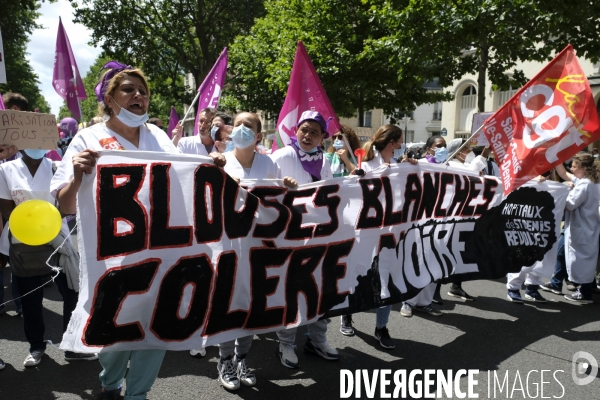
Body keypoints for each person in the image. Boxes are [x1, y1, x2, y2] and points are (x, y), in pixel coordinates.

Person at [51, 63, 224, 400]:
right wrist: (75, 177)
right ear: (109, 98)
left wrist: (209, 170)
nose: (138, 96)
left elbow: (183, 181)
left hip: (160, 249)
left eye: (143, 91)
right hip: (112, 256)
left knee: (155, 323)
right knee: (114, 326)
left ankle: (138, 394)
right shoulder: (88, 139)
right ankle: (111, 382)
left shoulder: (158, 137)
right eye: (128, 90)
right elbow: (65, 206)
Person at [0, 149, 97, 366]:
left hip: (58, 240)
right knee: (30, 300)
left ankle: (71, 345)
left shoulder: (57, 167)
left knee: (72, 293)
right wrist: (34, 224)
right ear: (20, 144)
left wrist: (48, 222)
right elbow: (7, 210)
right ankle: (36, 347)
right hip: (23, 243)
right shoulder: (5, 170)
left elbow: (67, 205)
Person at [212, 112, 287, 390]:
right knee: (228, 303)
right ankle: (224, 360)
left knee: (251, 305)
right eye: (239, 124)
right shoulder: (219, 162)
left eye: (250, 126)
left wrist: (286, 188)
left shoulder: (268, 164)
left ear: (259, 136)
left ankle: (241, 358)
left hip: (257, 246)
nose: (242, 128)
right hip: (226, 246)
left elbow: (277, 202)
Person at [270, 110, 337, 369]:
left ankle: (317, 339)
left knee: (321, 289)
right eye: (304, 130)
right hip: (289, 236)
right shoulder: (284, 155)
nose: (307, 135)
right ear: (296, 131)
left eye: (314, 132)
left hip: (320, 236)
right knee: (292, 290)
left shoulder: (324, 160)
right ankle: (286, 342)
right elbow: (264, 187)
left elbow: (331, 192)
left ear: (322, 137)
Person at [355, 124, 412, 349]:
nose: (401, 146)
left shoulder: (399, 166)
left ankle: (381, 327)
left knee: (386, 279)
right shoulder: (366, 166)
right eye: (399, 142)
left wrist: (412, 168)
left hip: (391, 234)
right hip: (367, 234)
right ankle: (347, 316)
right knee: (360, 276)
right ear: (393, 143)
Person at [400, 135, 446, 318]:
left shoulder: (448, 167)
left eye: (445, 146)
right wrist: (405, 164)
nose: (443, 149)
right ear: (429, 149)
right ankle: (408, 301)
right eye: (439, 146)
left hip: (441, 223)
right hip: (418, 222)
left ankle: (425, 302)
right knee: (416, 261)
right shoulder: (416, 164)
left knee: (436, 262)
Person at [552, 153, 600, 303]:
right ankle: (566, 285)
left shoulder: (584, 185)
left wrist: (562, 190)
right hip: (588, 226)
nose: (572, 169)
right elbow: (562, 173)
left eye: (574, 166)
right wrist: (554, 155)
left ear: (584, 169)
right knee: (576, 257)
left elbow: (570, 204)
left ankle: (585, 293)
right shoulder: (591, 181)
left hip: (582, 227)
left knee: (581, 261)